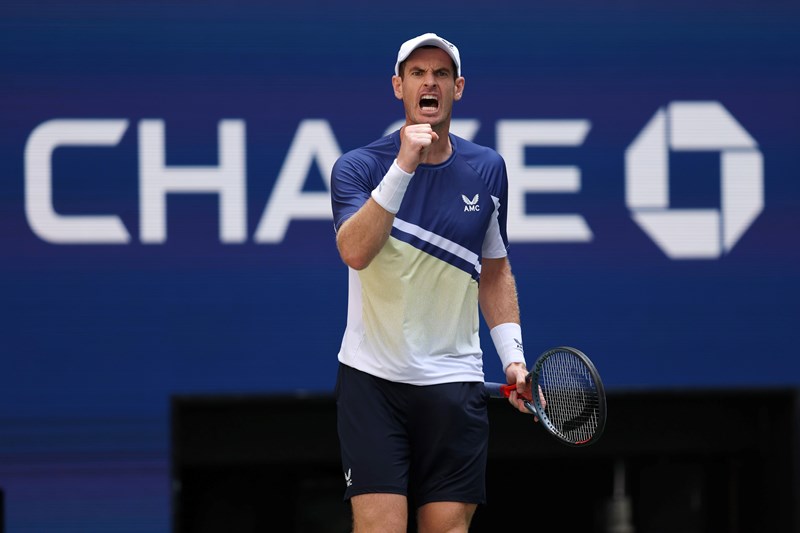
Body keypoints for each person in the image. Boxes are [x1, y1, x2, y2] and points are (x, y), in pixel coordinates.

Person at [330, 32, 533, 533]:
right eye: (418, 73)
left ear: (458, 88)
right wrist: (404, 165)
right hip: (372, 381)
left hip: (453, 382)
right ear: (398, 86)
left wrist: (513, 357)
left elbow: (494, 268)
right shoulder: (357, 167)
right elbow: (355, 251)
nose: (430, 82)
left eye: (441, 74)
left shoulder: (487, 169)